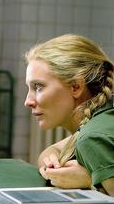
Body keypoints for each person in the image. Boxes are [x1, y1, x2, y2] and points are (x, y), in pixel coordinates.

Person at [24, 34, 114, 195]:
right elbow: (54, 149)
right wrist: (52, 159)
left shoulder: (93, 138)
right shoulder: (103, 116)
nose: (28, 101)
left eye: (38, 87)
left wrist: (90, 181)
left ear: (75, 87)